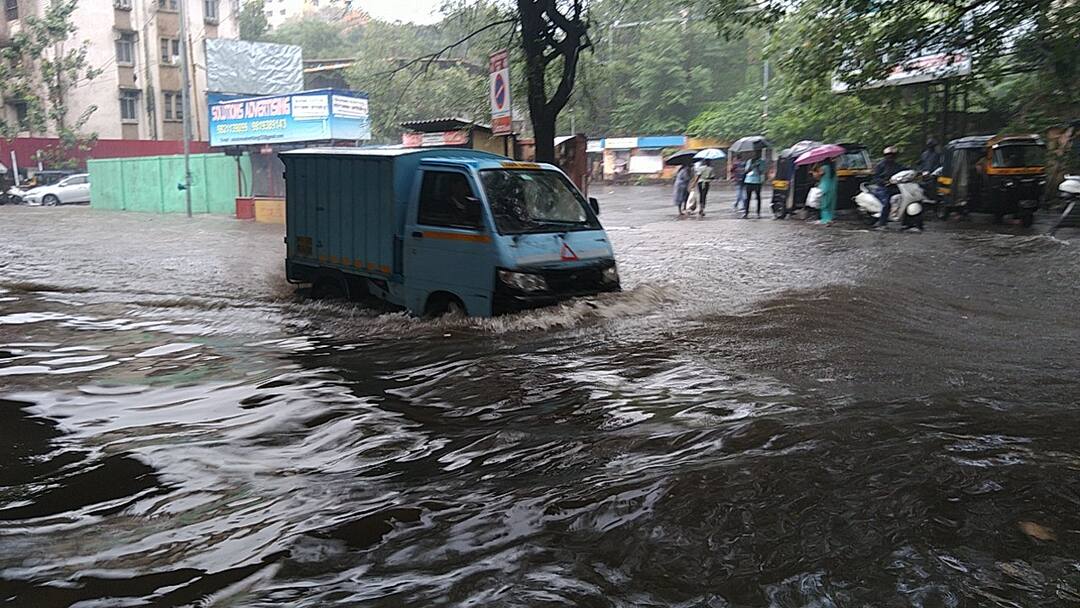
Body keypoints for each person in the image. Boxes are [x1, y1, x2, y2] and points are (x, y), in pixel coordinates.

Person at [871, 146, 904, 228]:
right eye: (889, 155)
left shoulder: (897, 166)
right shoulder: (880, 165)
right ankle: (882, 222)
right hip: (883, 188)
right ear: (885, 155)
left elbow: (905, 171)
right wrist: (884, 182)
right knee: (886, 203)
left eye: (893, 155)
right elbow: (876, 177)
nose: (891, 156)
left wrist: (916, 172)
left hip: (896, 187)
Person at [742, 151, 766, 218]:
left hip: (757, 181)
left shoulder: (761, 162)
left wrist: (757, 167)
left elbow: (761, 171)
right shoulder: (749, 161)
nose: (755, 155)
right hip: (749, 181)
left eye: (757, 154)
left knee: (758, 197)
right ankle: (746, 212)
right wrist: (751, 166)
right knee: (747, 198)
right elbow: (746, 171)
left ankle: (758, 213)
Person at [816, 159, 837, 225]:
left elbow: (817, 176)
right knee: (831, 205)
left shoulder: (824, 168)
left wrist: (815, 169)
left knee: (824, 205)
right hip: (832, 188)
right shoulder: (833, 169)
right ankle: (830, 219)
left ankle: (825, 220)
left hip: (824, 188)